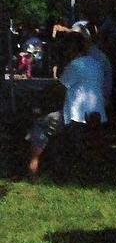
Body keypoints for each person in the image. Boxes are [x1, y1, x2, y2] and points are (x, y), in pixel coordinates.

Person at [27, 31, 108, 178]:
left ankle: (33, 166)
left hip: (75, 117)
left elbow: (59, 89)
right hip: (98, 115)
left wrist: (40, 95)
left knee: (40, 125)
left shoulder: (75, 65)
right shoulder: (96, 64)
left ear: (71, 49)